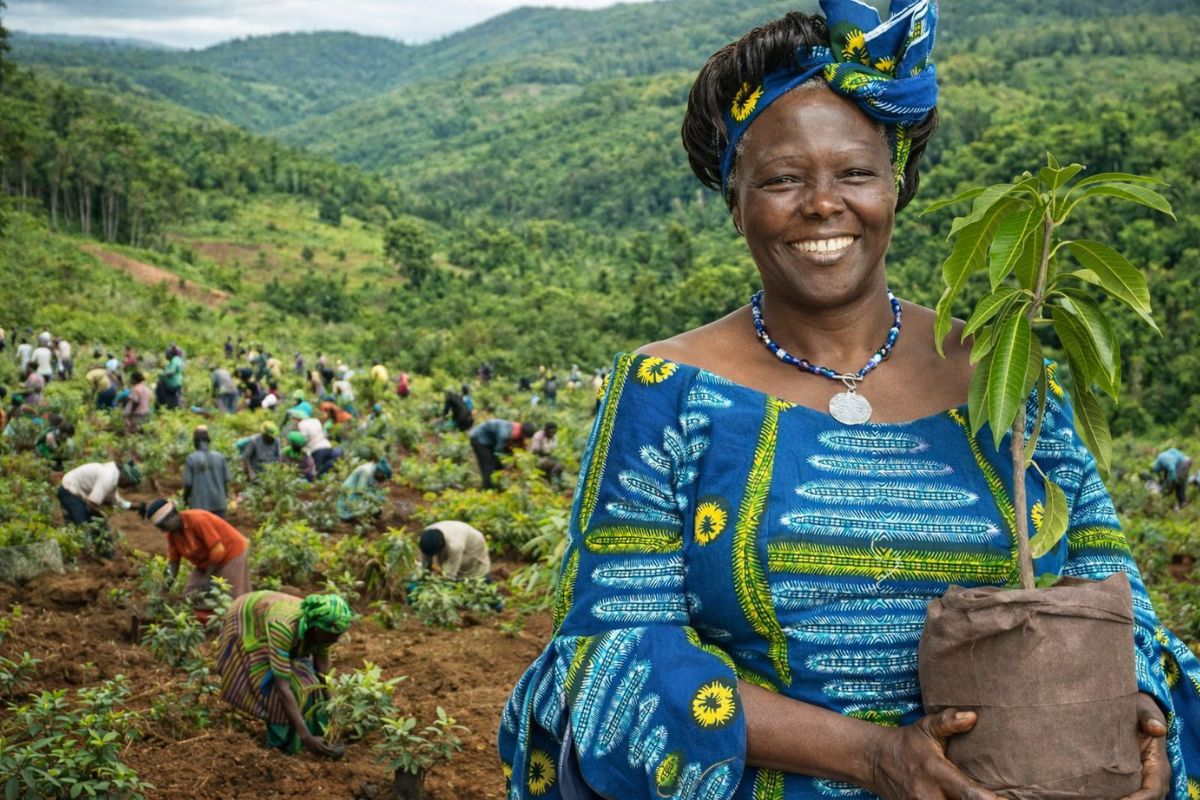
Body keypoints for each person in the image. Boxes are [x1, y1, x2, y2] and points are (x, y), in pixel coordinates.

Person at [500, 5, 1200, 799]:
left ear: (897, 186)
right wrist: (875, 756)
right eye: (782, 179)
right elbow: (612, 651)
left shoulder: (1004, 367)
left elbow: (1117, 600)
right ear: (736, 203)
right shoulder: (663, 390)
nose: (822, 204)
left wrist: (1137, 722)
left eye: (856, 173)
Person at [215, 591, 351, 757]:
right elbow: (282, 687)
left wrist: (333, 710)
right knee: (278, 690)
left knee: (311, 684)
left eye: (338, 635)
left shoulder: (324, 629)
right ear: (315, 628)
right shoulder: (284, 628)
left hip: (273, 615)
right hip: (249, 620)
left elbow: (322, 673)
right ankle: (279, 748)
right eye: (332, 636)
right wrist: (306, 737)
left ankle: (318, 739)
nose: (335, 640)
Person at [142, 498, 250, 598]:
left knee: (232, 596)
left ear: (172, 515)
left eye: (163, 526)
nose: (162, 531)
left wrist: (207, 577)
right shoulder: (172, 536)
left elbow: (218, 550)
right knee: (190, 595)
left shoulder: (197, 520)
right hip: (207, 563)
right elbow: (173, 563)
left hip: (231, 554)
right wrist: (164, 589)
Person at [57, 459, 141, 556]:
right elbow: (92, 503)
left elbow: (116, 500)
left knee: (89, 523)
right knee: (82, 525)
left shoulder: (113, 476)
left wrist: (136, 507)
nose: (127, 487)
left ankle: (103, 553)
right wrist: (102, 516)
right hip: (69, 490)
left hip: (78, 493)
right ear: (125, 478)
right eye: (129, 484)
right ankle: (83, 555)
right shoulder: (108, 478)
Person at [468, 418, 535, 490]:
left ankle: (496, 486)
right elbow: (498, 452)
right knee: (488, 466)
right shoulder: (504, 434)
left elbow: (519, 452)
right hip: (479, 438)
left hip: (492, 440)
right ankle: (487, 489)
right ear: (523, 434)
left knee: (498, 466)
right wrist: (507, 466)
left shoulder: (518, 431)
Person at [183, 425, 232, 517]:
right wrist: (223, 497)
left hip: (199, 506)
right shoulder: (220, 457)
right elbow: (226, 480)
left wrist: (185, 499)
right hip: (219, 504)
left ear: (195, 441)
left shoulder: (191, 458)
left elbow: (188, 483)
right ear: (208, 440)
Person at [417, 521, 491, 581]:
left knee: (470, 574)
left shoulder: (455, 546)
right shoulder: (426, 536)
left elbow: (449, 576)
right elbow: (425, 564)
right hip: (456, 533)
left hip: (474, 544)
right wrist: (424, 576)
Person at [292, 408, 341, 478]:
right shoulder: (315, 420)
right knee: (327, 465)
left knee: (317, 472)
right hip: (327, 445)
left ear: (297, 418)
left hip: (316, 449)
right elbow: (322, 432)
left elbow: (303, 438)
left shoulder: (301, 424)